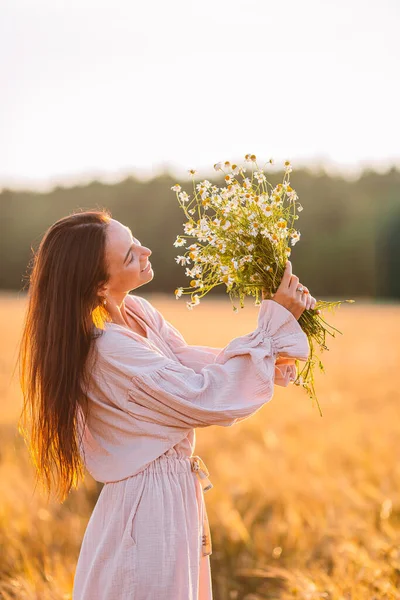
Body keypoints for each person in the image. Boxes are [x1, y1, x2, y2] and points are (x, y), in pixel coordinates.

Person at [18, 210, 316, 600]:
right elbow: (201, 397)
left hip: (171, 498)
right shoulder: (108, 349)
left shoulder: (138, 314)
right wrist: (272, 329)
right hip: (146, 512)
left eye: (134, 239)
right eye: (129, 255)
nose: (146, 251)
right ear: (100, 285)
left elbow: (190, 363)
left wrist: (275, 331)